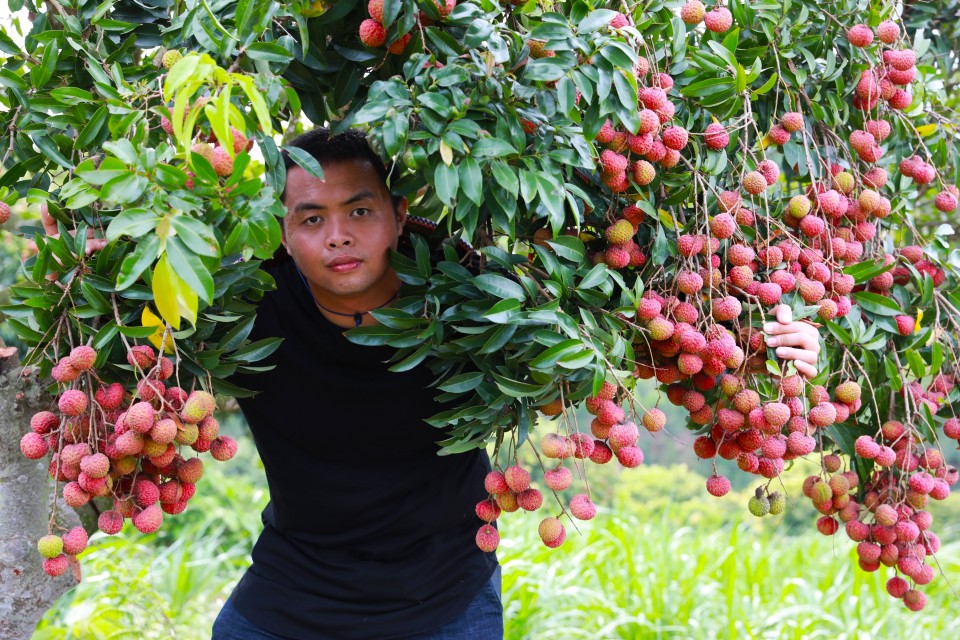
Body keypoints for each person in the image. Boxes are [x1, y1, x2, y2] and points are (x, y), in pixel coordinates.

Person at [39, 128, 821, 639]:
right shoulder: (239, 310)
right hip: (285, 608)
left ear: (400, 213)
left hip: (445, 611)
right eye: (309, 218)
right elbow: (110, 301)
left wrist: (763, 353)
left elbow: (633, 352)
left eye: (359, 209)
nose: (337, 234)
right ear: (278, 230)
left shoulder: (476, 299)